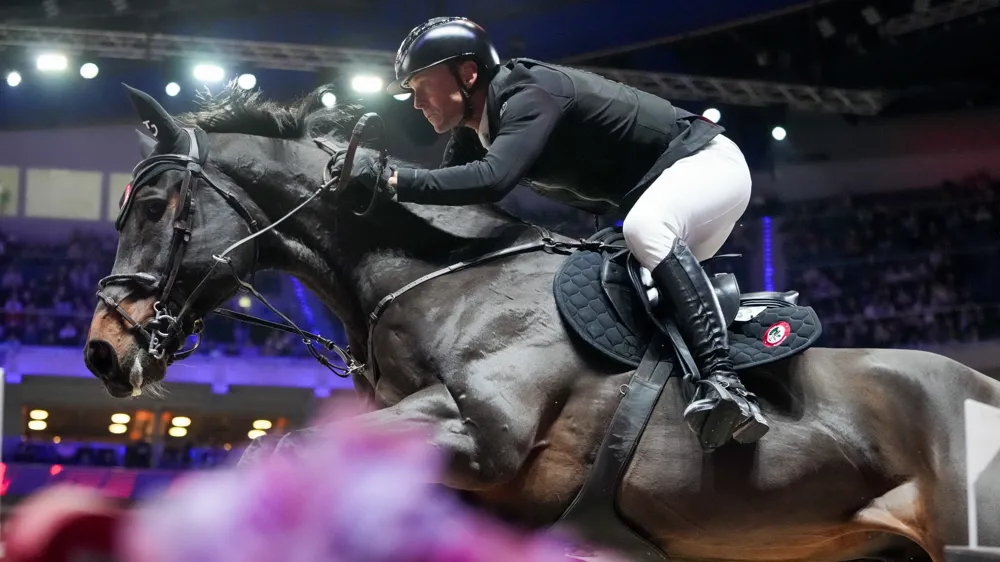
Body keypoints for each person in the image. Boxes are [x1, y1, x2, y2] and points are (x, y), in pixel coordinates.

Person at [335, 16, 769, 450]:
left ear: (467, 74)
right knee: (600, 269)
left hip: (707, 166)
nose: (416, 103)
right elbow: (452, 203)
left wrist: (393, 179)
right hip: (670, 191)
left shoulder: (528, 91)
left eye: (421, 85)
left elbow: (492, 180)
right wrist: (367, 200)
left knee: (644, 228)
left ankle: (725, 382)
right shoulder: (479, 127)